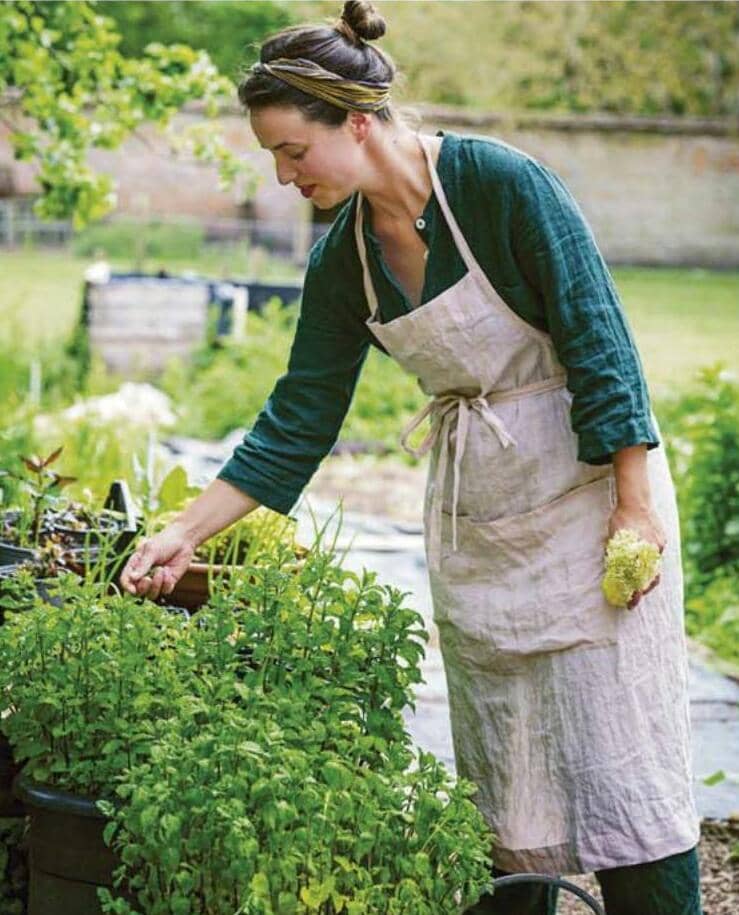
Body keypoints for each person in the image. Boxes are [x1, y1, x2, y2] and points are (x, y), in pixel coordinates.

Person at [120, 3, 703, 912]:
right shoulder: (343, 262)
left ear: (355, 121)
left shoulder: (500, 185)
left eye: (293, 150)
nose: (283, 175)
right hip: (480, 520)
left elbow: (600, 346)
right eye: (273, 156)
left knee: (625, 768)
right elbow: (297, 419)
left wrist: (633, 507)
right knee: (505, 786)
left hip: (593, 503)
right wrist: (182, 532)